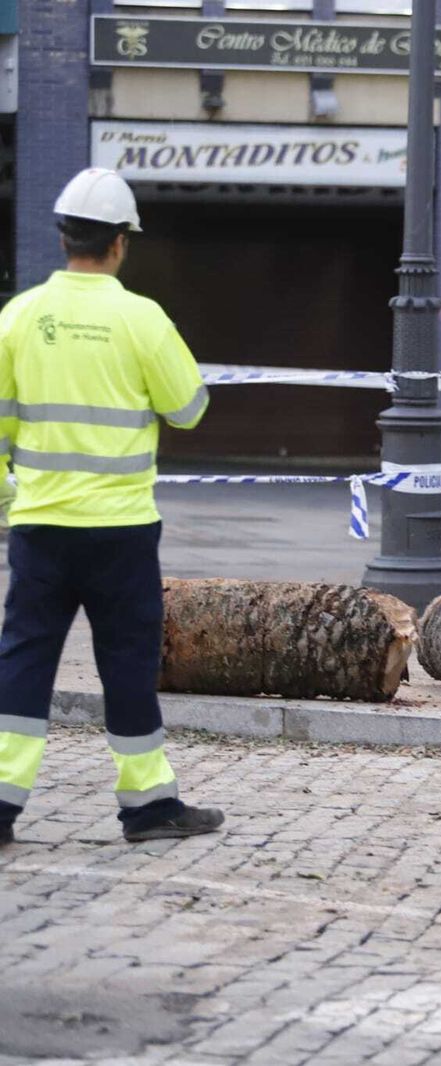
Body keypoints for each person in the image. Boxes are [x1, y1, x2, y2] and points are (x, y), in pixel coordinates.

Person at [0, 168, 223, 847]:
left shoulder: (19, 315)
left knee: (23, 663)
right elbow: (189, 409)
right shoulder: (141, 318)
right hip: (121, 532)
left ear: (64, 237)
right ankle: (150, 808)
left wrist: (13, 496)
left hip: (39, 528)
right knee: (126, 666)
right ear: (121, 242)